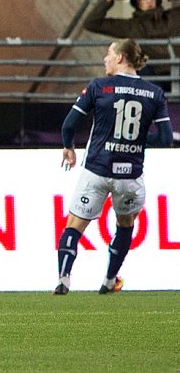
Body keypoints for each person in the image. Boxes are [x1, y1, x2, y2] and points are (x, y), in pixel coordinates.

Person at [55, 38, 172, 295]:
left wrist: (69, 148)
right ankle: (109, 280)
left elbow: (69, 125)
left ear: (120, 58)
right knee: (125, 224)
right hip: (130, 176)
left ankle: (63, 280)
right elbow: (165, 138)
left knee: (74, 224)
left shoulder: (99, 87)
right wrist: (139, 141)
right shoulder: (154, 93)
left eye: (109, 53)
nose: (105, 59)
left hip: (97, 169)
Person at [83, 0, 180, 80]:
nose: (149, 0)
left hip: (177, 68)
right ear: (137, 2)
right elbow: (91, 23)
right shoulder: (131, 26)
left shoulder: (173, 16)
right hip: (152, 73)